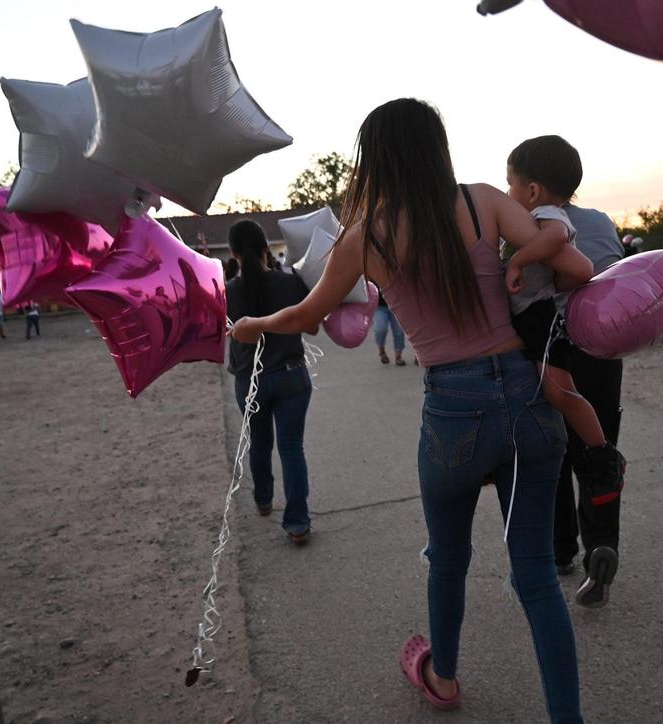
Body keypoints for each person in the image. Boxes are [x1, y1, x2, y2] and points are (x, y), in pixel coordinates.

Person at [230, 98, 593, 722]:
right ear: (436, 147)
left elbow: (305, 317)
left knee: (448, 559)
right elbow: (570, 265)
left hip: (452, 408)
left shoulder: (364, 236)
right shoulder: (485, 200)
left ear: (376, 159)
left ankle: (444, 679)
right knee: (535, 575)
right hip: (527, 394)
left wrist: (250, 324)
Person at [504, 135, 627, 607]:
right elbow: (612, 277)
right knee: (596, 454)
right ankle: (603, 543)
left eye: (510, 180)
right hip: (602, 352)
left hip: (550, 346)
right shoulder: (599, 221)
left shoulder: (527, 224)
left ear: (532, 187)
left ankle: (560, 550)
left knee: (549, 452)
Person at [227, 220, 316, 546]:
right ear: (267, 248)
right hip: (291, 375)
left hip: (249, 381)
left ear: (235, 254)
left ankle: (264, 499)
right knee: (292, 448)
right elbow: (313, 323)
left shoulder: (226, 291)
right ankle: (297, 524)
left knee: (260, 443)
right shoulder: (290, 283)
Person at [373, 290, 407, 365]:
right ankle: (382, 351)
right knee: (380, 329)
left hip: (397, 305)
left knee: (399, 331)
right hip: (380, 306)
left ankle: (398, 356)